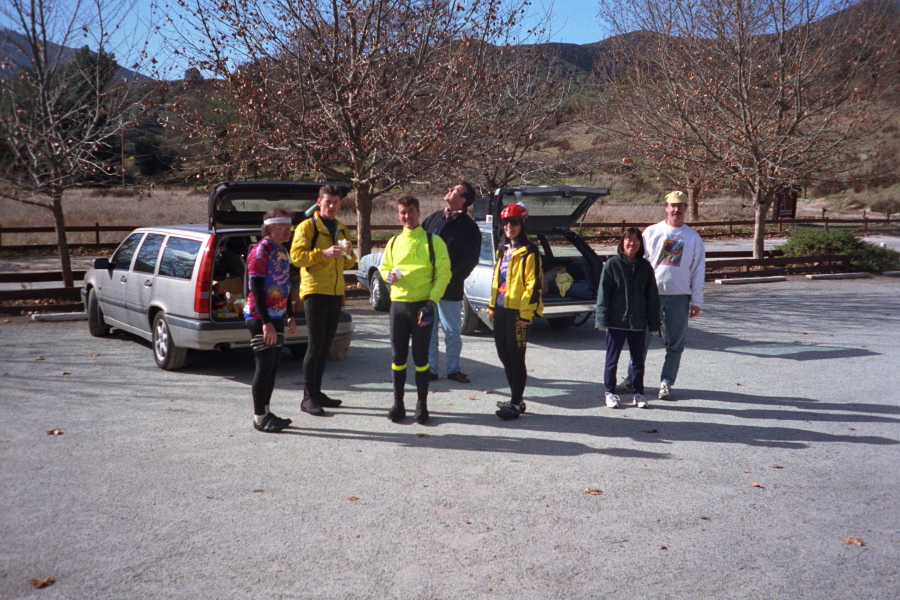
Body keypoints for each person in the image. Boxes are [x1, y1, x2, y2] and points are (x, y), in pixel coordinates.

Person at [618, 190, 705, 400]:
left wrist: (696, 300)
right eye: (672, 205)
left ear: (686, 208)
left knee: (675, 343)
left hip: (680, 298)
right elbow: (639, 261)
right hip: (651, 297)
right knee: (641, 342)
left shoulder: (693, 238)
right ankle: (632, 380)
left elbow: (698, 269)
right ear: (666, 207)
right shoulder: (652, 232)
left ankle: (666, 382)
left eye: (680, 205)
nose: (676, 209)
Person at [380, 196, 451, 424]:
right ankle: (398, 403)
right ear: (398, 214)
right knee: (398, 357)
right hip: (398, 306)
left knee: (421, 358)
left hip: (423, 306)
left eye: (411, 211)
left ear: (418, 212)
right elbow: (384, 268)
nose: (407, 216)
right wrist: (388, 275)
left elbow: (444, 274)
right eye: (403, 212)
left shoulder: (433, 241)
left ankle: (422, 405)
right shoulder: (393, 242)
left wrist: (431, 303)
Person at [290, 184, 357, 416]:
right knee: (315, 344)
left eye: (336, 202)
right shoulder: (307, 226)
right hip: (315, 291)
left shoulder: (341, 228)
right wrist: (323, 254)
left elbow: (349, 263)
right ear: (319, 203)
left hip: (336, 292)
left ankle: (317, 393)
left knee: (325, 346)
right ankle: (308, 397)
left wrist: (349, 253)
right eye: (328, 202)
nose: (332, 206)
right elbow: (296, 257)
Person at [485, 203, 543, 420]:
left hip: (518, 312)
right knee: (504, 356)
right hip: (500, 310)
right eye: (506, 222)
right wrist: (492, 305)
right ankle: (516, 399)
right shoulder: (503, 247)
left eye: (514, 222)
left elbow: (533, 284)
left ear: (523, 224)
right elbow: (497, 279)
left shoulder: (530, 250)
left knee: (517, 358)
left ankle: (515, 404)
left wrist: (525, 315)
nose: (509, 226)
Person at [422, 181, 482, 384]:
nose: (449, 190)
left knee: (452, 331)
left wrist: (451, 279)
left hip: (451, 289)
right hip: (427, 288)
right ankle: (430, 369)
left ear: (463, 200)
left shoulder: (470, 228)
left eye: (454, 190)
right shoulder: (432, 219)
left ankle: (453, 369)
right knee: (428, 330)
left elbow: (470, 260)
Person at [243, 208, 297, 433]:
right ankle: (259, 417)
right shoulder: (260, 251)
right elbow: (255, 287)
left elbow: (286, 284)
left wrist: (290, 314)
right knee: (264, 367)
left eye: (289, 227)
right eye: (283, 228)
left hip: (277, 315)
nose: (288, 231)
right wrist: (265, 322)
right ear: (270, 228)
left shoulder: (281, 249)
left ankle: (266, 411)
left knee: (274, 366)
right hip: (260, 317)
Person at [596, 228, 660, 409]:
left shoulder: (645, 267)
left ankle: (638, 393)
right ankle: (610, 392)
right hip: (616, 321)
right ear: (622, 242)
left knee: (638, 360)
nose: (632, 243)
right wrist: (602, 320)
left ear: (641, 244)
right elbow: (603, 295)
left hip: (638, 322)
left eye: (636, 240)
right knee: (612, 359)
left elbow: (652, 297)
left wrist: (653, 323)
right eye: (628, 239)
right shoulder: (612, 264)